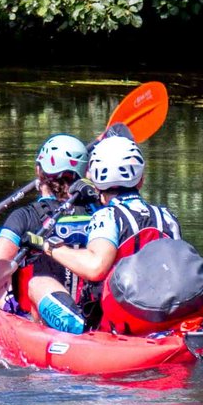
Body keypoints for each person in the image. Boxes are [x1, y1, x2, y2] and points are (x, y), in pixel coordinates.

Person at [0, 134, 96, 334]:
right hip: (94, 312)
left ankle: (68, 324)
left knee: (15, 285)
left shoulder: (25, 217)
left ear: (39, 171)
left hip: (42, 320)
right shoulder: (101, 211)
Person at [45, 134, 183, 327]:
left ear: (97, 182)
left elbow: (95, 268)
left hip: (125, 319)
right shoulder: (167, 216)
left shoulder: (107, 216)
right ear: (141, 180)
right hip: (171, 313)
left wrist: (51, 247)